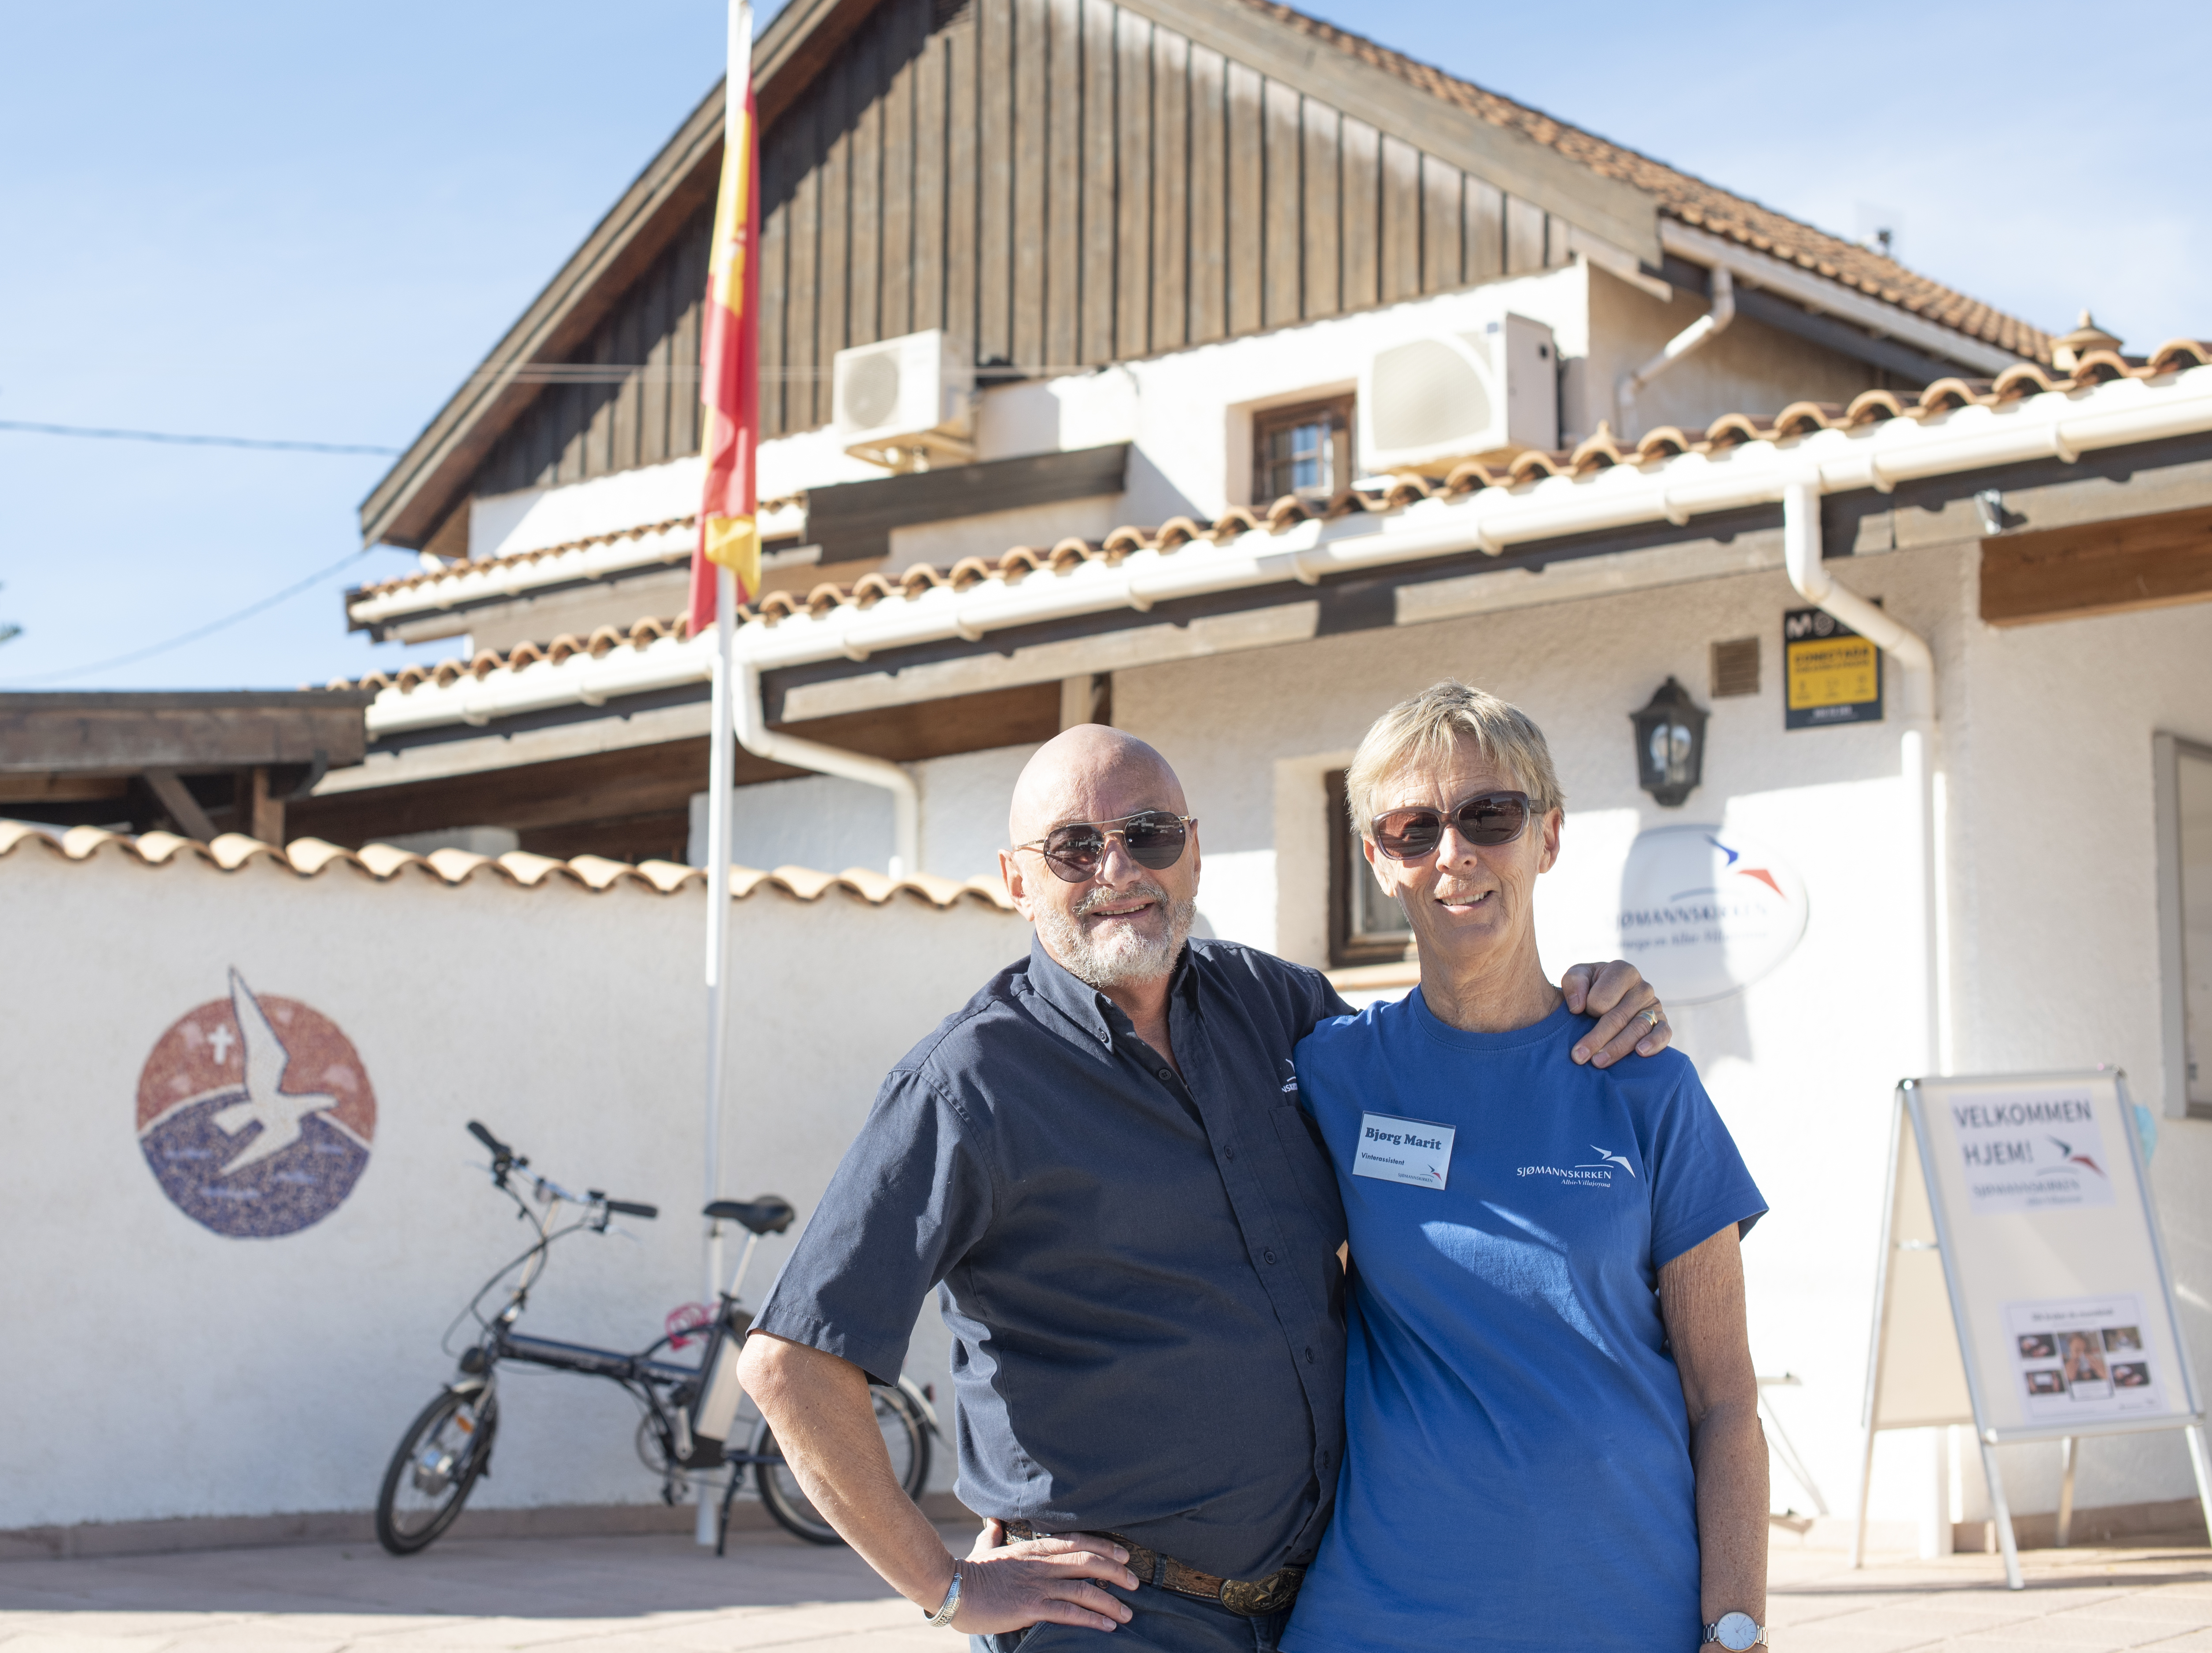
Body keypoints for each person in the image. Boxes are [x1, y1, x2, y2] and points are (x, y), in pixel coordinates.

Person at [737, 724, 1677, 1652]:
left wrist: (1575, 1007)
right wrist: (944, 1587)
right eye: (1073, 846)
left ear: (1192, 852)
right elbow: (790, 1365)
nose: (1117, 869)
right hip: (1115, 1620)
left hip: (1322, 1604)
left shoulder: (1275, 1008)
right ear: (1017, 878)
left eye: (1147, 834)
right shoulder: (966, 1085)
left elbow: (1446, 1078)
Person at [1282, 682, 1768, 1653]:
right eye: (1413, 829)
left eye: (1487, 815)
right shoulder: (1331, 1074)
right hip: (1381, 1616)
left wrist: (1735, 1619)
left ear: (1546, 836)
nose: (1452, 854)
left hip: (1623, 1609)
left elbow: (1724, 1399)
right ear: (1378, 860)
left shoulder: (1644, 1084)